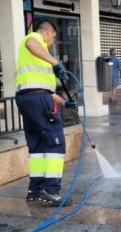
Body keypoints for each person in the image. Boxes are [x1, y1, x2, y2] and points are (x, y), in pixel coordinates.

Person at [15, 18, 77, 205]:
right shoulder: (34, 38)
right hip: (37, 100)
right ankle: (50, 190)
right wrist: (56, 63)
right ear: (48, 32)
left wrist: (66, 103)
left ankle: (35, 190)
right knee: (55, 143)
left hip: (29, 98)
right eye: (53, 37)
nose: (52, 42)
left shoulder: (38, 57)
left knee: (38, 146)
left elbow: (45, 91)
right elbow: (31, 42)